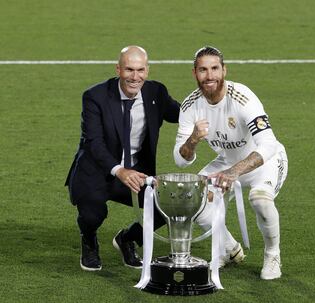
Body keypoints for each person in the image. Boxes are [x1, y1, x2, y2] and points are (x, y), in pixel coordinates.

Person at [173, 46, 288, 280]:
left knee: (260, 200)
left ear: (224, 70)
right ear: (195, 73)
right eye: (203, 70)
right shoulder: (190, 105)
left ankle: (272, 255)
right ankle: (229, 248)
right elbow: (180, 160)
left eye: (215, 68)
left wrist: (234, 172)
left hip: (264, 161)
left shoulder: (242, 98)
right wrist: (193, 140)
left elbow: (268, 144)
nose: (210, 76)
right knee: (193, 198)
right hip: (227, 162)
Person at [65, 46, 180, 271]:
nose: (134, 77)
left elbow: (181, 113)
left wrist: (211, 102)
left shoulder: (156, 93)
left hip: (135, 171)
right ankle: (89, 239)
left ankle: (127, 239)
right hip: (96, 171)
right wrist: (119, 170)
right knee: (92, 214)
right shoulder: (94, 97)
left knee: (169, 205)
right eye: (129, 69)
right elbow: (94, 143)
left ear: (147, 70)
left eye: (140, 70)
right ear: (118, 69)